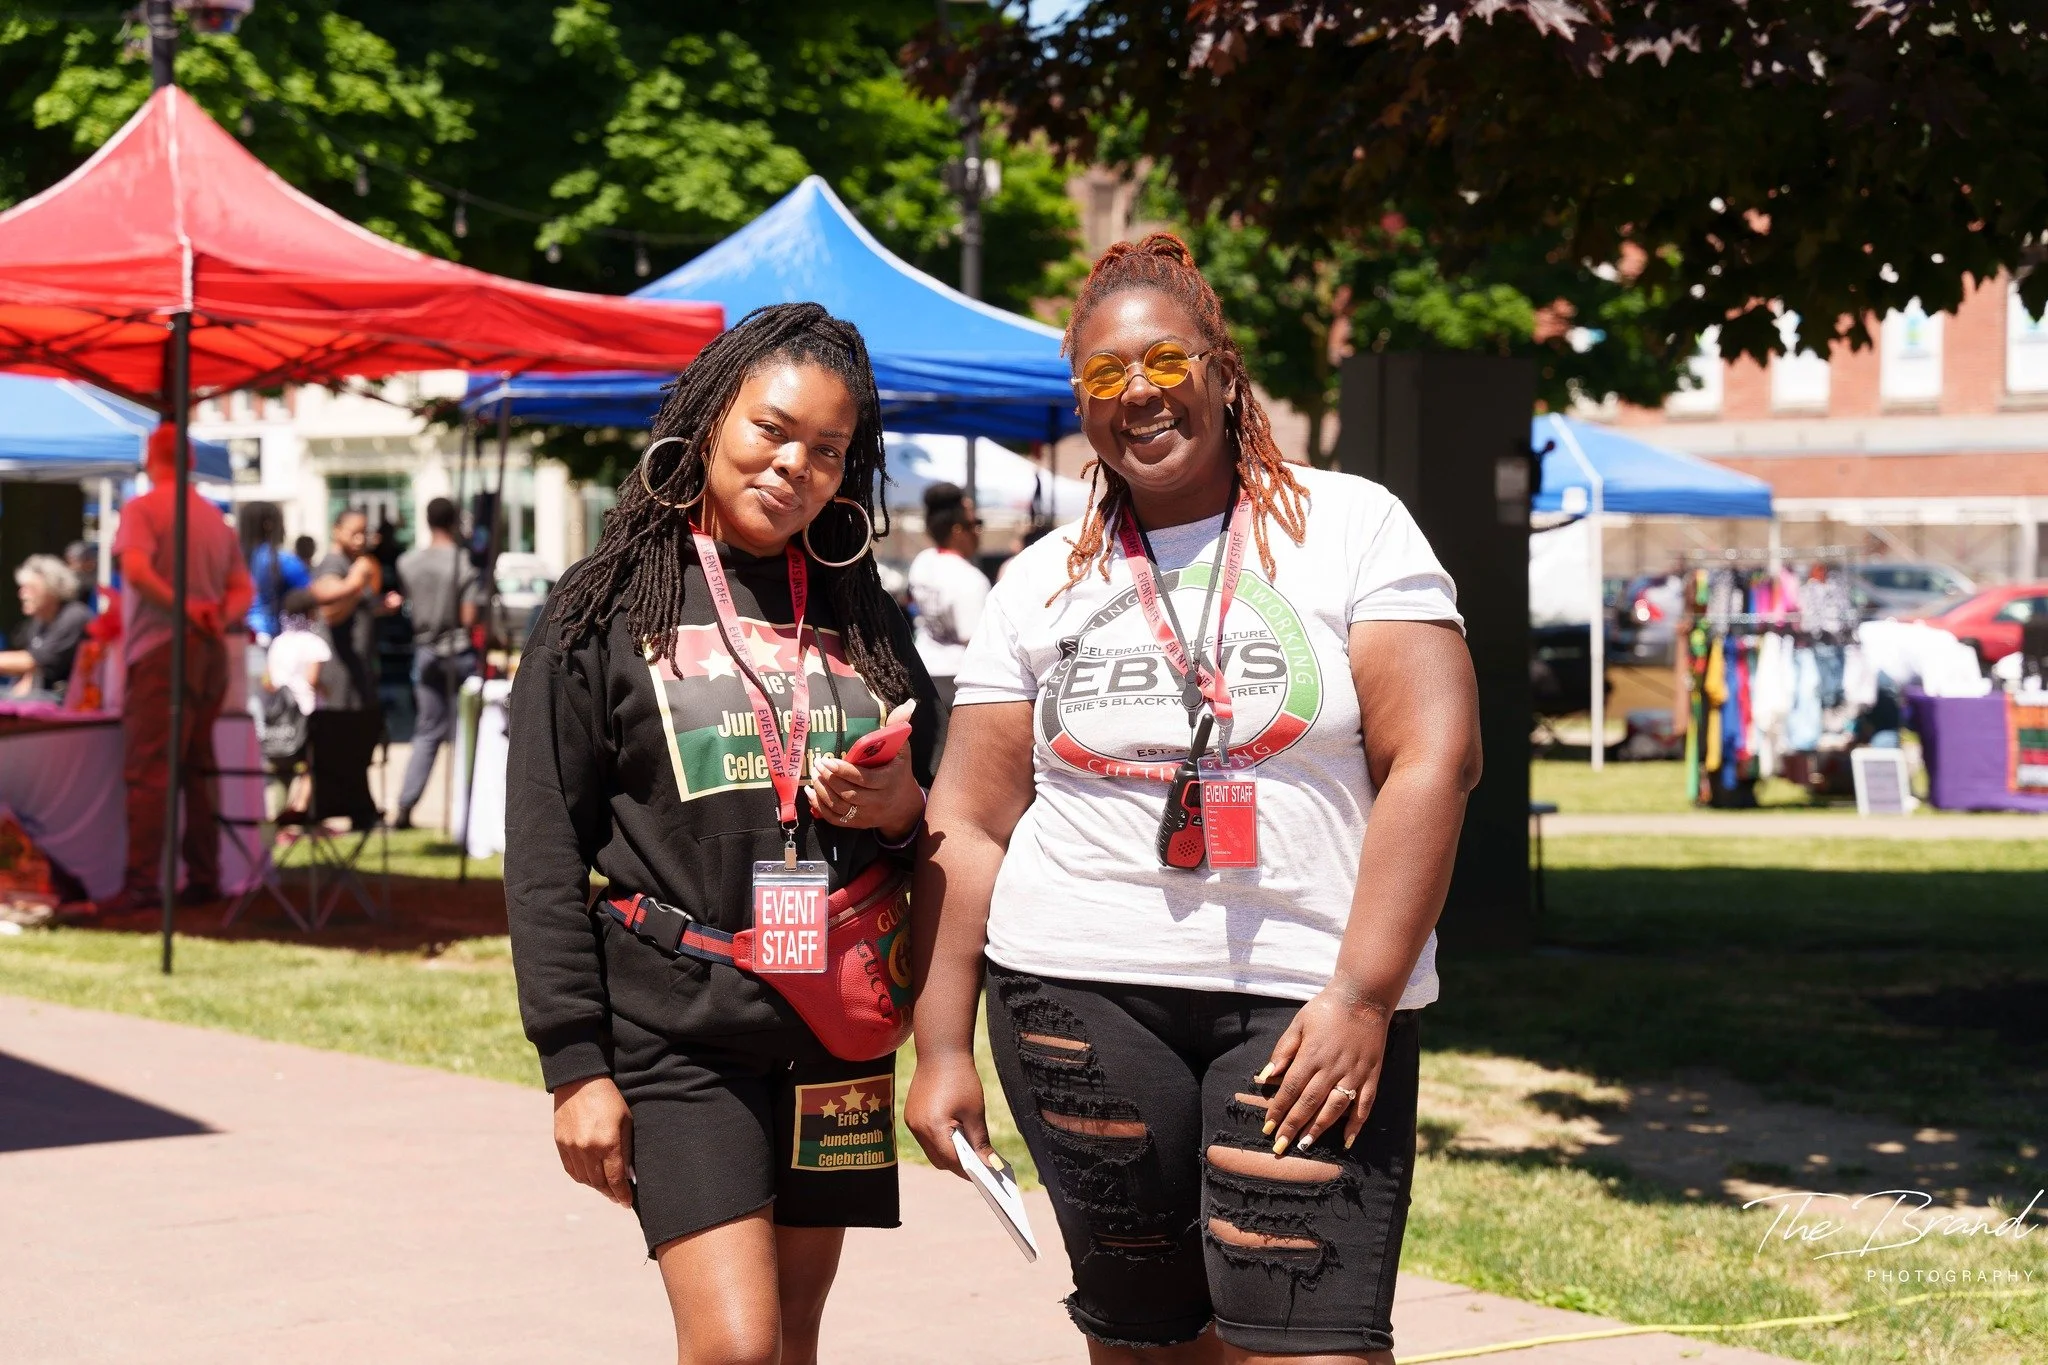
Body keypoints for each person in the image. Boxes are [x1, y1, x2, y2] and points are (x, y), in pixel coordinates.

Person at [906, 234, 1481, 1365]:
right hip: (1075, 989)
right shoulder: (1039, 578)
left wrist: (1364, 995)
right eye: (1102, 379)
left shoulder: (1349, 525)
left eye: (1163, 363)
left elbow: (1435, 758)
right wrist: (937, 1049)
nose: (1137, 396)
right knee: (1146, 1344)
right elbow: (966, 822)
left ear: (1220, 370)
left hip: (1307, 995)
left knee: (1313, 1345)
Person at [505, 303, 939, 1365]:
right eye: (771, 431)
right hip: (679, 1031)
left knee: (792, 1344)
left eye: (828, 451)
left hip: (834, 1027)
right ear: (708, 420)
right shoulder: (597, 607)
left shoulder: (858, 609)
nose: (795, 466)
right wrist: (574, 1066)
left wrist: (901, 801)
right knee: (736, 1348)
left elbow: (934, 787)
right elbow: (543, 847)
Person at [109, 423, 254, 910]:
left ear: (152, 457)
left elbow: (135, 570)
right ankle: (204, 875)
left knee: (150, 769)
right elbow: (242, 588)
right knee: (198, 767)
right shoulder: (214, 518)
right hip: (207, 649)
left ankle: (144, 881)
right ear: (190, 460)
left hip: (161, 650)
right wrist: (214, 614)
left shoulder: (142, 509)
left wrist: (184, 609)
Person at [392, 497, 482, 829]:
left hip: (425, 651)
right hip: (457, 651)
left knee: (427, 731)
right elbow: (468, 616)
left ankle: (406, 804)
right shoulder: (463, 562)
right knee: (465, 733)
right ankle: (467, 810)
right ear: (455, 520)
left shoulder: (408, 562)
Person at [905, 481, 990, 723]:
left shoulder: (923, 561)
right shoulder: (970, 578)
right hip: (957, 680)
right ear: (957, 531)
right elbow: (973, 639)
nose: (978, 532)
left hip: (923, 670)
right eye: (975, 524)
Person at [308, 508, 396, 716]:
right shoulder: (334, 562)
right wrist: (355, 582)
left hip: (357, 668)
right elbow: (327, 603)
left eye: (363, 533)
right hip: (339, 669)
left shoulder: (354, 563)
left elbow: (354, 606)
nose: (359, 539)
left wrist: (380, 605)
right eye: (354, 533)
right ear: (336, 531)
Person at [1, 555, 92, 701]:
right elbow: (34, 671)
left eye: (30, 588)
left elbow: (33, 661)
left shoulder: (74, 617)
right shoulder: (38, 623)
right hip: (42, 698)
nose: (22, 594)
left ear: (52, 588)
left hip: (70, 702)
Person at [239, 502, 310, 644]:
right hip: (268, 634)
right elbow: (309, 591)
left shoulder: (233, 557)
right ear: (269, 524)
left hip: (237, 633)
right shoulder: (282, 559)